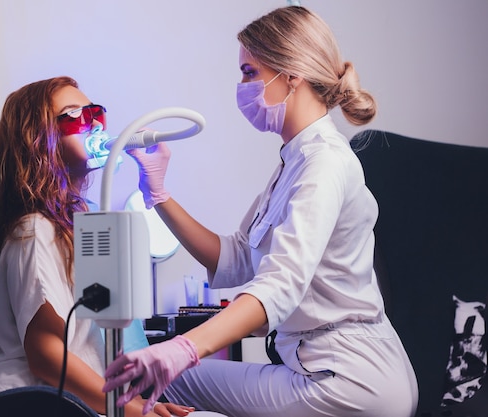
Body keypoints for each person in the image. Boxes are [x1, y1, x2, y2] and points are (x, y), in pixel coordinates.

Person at [102, 6, 419, 417]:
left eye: (250, 72)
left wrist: (184, 347)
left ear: (291, 74)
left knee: (167, 381)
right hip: (327, 369)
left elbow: (280, 285)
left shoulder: (324, 164)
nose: (242, 86)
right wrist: (159, 195)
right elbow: (235, 257)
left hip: (349, 382)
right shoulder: (295, 160)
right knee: (172, 383)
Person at [0, 76, 194, 417]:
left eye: (96, 114)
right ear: (37, 138)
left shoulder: (82, 220)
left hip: (82, 400)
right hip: (29, 401)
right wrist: (136, 412)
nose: (93, 124)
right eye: (75, 115)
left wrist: (142, 405)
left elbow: (104, 329)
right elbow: (46, 356)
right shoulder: (34, 231)